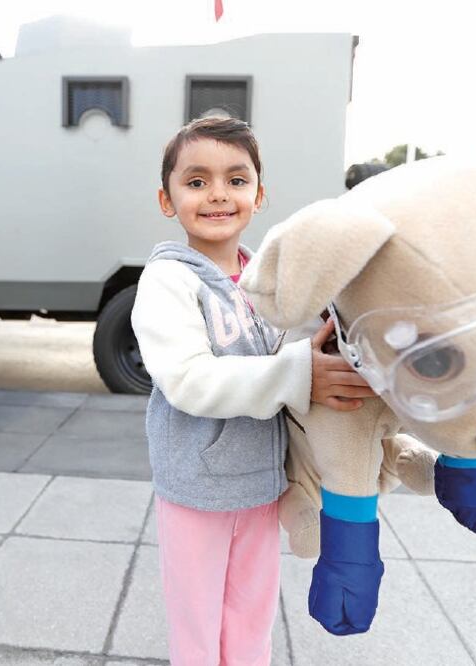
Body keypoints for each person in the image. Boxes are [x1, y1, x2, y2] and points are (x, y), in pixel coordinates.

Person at [130, 117, 375, 665]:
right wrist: (297, 374)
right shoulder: (168, 280)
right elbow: (188, 380)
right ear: (167, 200)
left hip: (265, 485)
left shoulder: (265, 279)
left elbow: (296, 348)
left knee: (251, 618)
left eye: (236, 180)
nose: (217, 193)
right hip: (196, 490)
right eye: (196, 182)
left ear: (259, 196)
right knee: (197, 627)